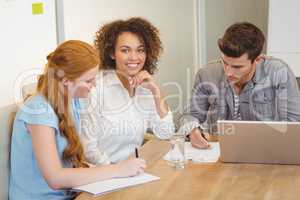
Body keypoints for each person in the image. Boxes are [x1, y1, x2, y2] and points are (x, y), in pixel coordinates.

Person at [9, 40, 146, 200]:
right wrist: (117, 170)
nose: (94, 85)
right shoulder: (39, 111)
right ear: (66, 81)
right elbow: (56, 178)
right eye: (89, 81)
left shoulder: (73, 101)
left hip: (71, 194)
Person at [179, 22, 300, 149]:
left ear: (257, 60)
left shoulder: (279, 73)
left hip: (266, 150)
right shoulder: (207, 74)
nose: (228, 72)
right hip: (220, 153)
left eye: (238, 67)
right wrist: (192, 131)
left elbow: (294, 124)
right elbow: (189, 115)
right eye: (225, 63)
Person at [80, 17, 175, 165]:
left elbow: (166, 133)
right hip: (102, 175)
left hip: (132, 172)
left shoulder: (145, 89)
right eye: (125, 50)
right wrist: (117, 172)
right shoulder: (95, 88)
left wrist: (156, 92)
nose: (134, 57)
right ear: (112, 53)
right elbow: (89, 150)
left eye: (140, 50)